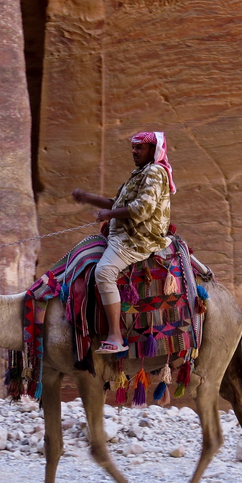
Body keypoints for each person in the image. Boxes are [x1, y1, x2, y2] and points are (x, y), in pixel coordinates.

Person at [71, 131, 176, 353]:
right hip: (122, 235)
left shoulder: (156, 172)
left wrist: (109, 215)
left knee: (104, 272)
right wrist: (88, 198)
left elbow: (142, 209)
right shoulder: (140, 174)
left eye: (140, 148)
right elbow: (116, 203)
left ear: (153, 150)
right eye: (133, 147)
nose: (134, 152)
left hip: (138, 240)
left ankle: (115, 337)